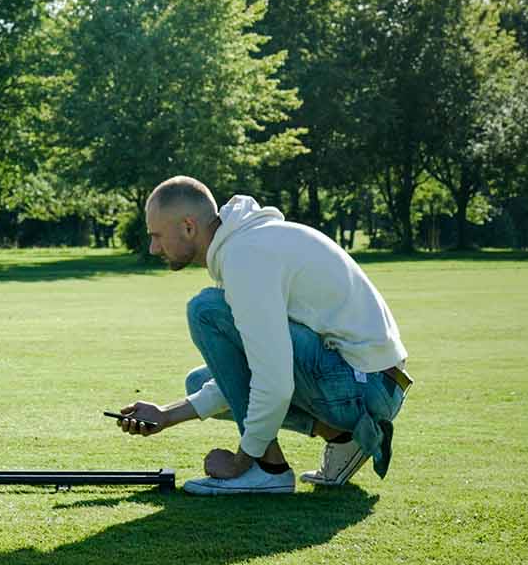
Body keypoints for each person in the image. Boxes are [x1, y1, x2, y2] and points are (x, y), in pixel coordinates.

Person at [114, 175, 412, 495]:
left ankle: (268, 470)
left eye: (157, 235)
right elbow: (250, 374)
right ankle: (343, 438)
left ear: (188, 226)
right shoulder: (246, 245)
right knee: (198, 384)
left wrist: (243, 460)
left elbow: (274, 380)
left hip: (364, 386)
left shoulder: (245, 256)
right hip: (373, 386)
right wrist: (166, 416)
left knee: (205, 310)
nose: (152, 247)